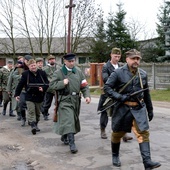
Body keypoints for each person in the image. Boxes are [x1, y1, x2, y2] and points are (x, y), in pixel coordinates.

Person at [104, 49, 161, 169]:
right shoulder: (118, 73)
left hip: (138, 108)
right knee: (117, 134)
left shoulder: (143, 74)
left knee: (143, 133)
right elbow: (107, 88)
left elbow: (146, 94)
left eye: (138, 59)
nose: (136, 61)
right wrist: (119, 97)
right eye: (133, 58)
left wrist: (150, 110)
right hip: (122, 108)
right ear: (127, 59)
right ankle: (115, 155)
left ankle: (147, 162)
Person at [48, 53, 91, 154]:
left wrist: (87, 96)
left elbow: (84, 85)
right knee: (69, 120)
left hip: (76, 100)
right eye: (69, 61)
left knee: (73, 120)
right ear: (65, 62)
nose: (72, 63)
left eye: (73, 61)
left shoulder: (79, 72)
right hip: (65, 100)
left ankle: (64, 136)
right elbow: (51, 86)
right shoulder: (59, 73)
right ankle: (72, 144)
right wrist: (62, 83)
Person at [98, 48, 133, 142]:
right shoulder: (106, 67)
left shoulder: (122, 66)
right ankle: (103, 130)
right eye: (115, 56)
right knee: (104, 112)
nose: (117, 58)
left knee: (120, 113)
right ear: (111, 55)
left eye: (118, 56)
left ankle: (123, 134)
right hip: (108, 93)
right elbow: (106, 79)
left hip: (119, 93)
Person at [15, 59, 49, 135]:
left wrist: (43, 88)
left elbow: (47, 84)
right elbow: (20, 85)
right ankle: (33, 125)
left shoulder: (42, 73)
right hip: (29, 96)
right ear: (28, 66)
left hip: (39, 96)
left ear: (36, 65)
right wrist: (17, 94)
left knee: (37, 113)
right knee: (31, 111)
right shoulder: (25, 74)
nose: (33, 67)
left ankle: (36, 124)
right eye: (31, 66)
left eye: (34, 65)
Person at [41, 54, 60, 120]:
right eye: (50, 59)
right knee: (47, 103)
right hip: (49, 88)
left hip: (57, 87)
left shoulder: (59, 68)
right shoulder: (44, 69)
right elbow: (43, 78)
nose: (52, 60)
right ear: (48, 61)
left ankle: (58, 114)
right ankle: (45, 113)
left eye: (53, 59)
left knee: (58, 102)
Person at [6, 56, 25, 121]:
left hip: (23, 89)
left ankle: (22, 115)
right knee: (16, 103)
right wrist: (8, 89)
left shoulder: (25, 69)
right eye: (20, 61)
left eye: (22, 61)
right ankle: (19, 114)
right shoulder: (14, 70)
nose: (21, 62)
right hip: (15, 88)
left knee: (22, 103)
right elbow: (10, 80)